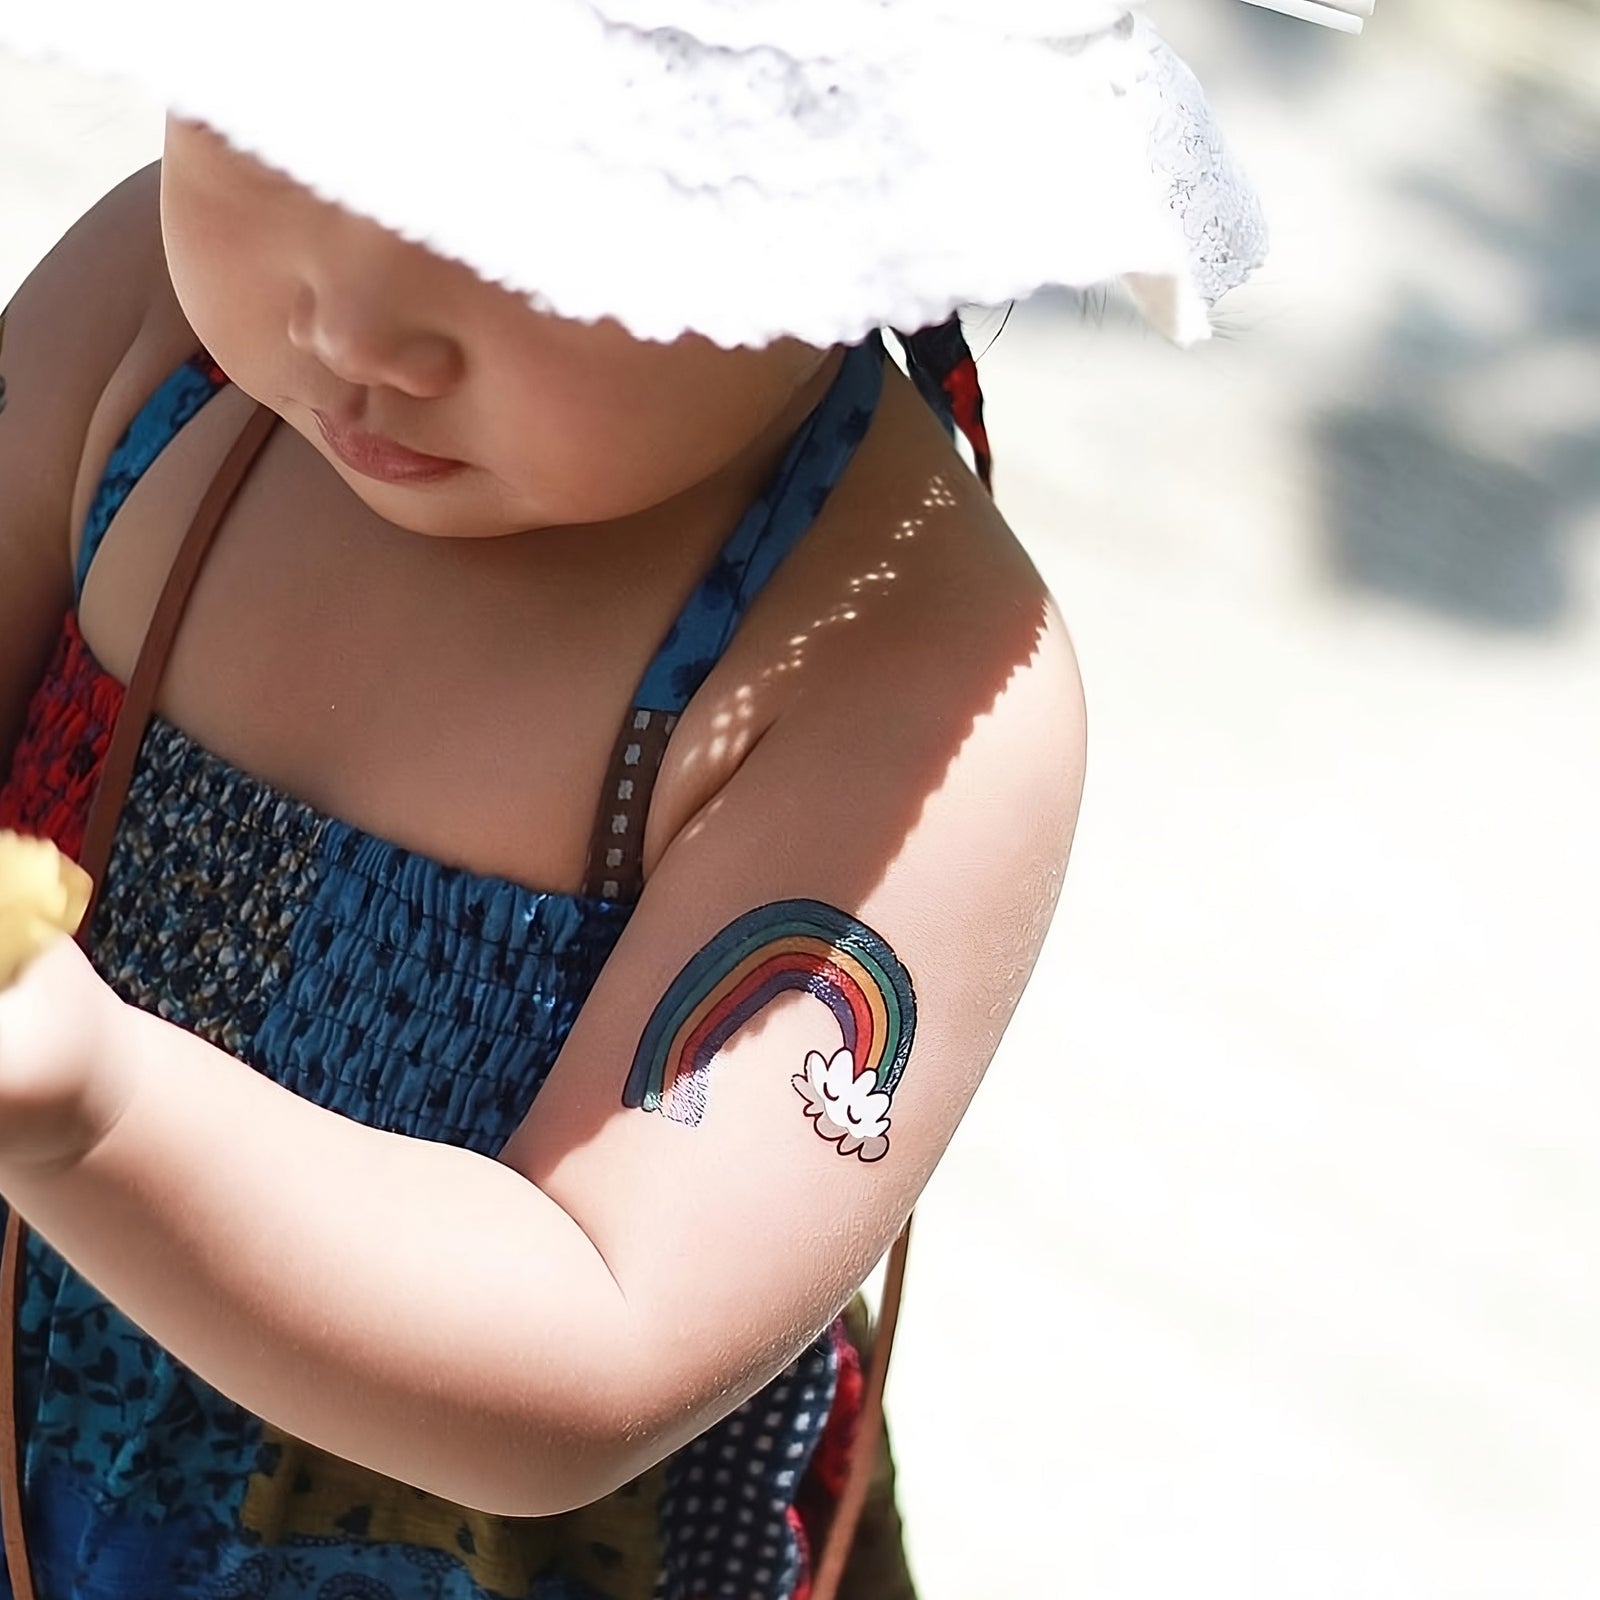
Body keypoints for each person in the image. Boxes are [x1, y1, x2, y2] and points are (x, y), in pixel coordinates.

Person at [0, 3, 1278, 1595]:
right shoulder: (148, 334)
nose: (362, 325)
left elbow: (601, 1335)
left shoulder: (896, 672)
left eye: (539, 221)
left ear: (852, 185)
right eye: (291, 128)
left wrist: (97, 1109)